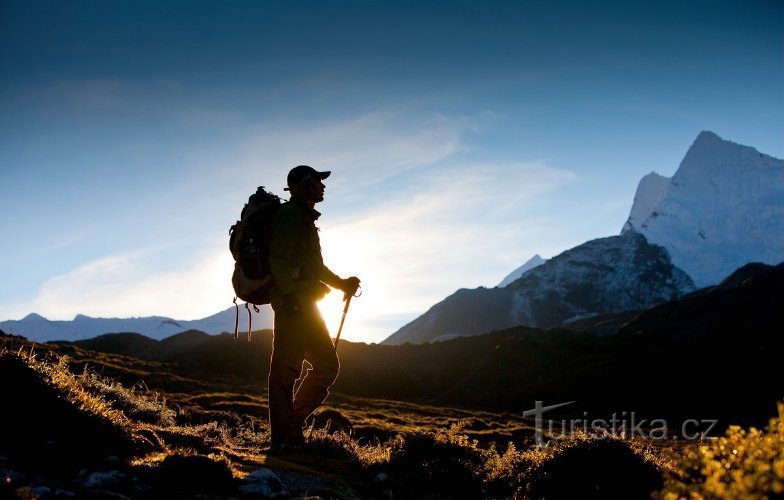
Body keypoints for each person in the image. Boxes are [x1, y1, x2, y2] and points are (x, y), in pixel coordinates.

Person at [266, 165, 360, 452]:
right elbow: (278, 258)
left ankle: (290, 428)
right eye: (316, 181)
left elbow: (314, 266)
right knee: (287, 369)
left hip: (305, 302)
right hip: (295, 302)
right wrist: (290, 297)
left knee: (325, 365)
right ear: (300, 186)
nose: (322, 186)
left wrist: (342, 284)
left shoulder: (304, 218)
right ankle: (285, 437)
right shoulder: (291, 215)